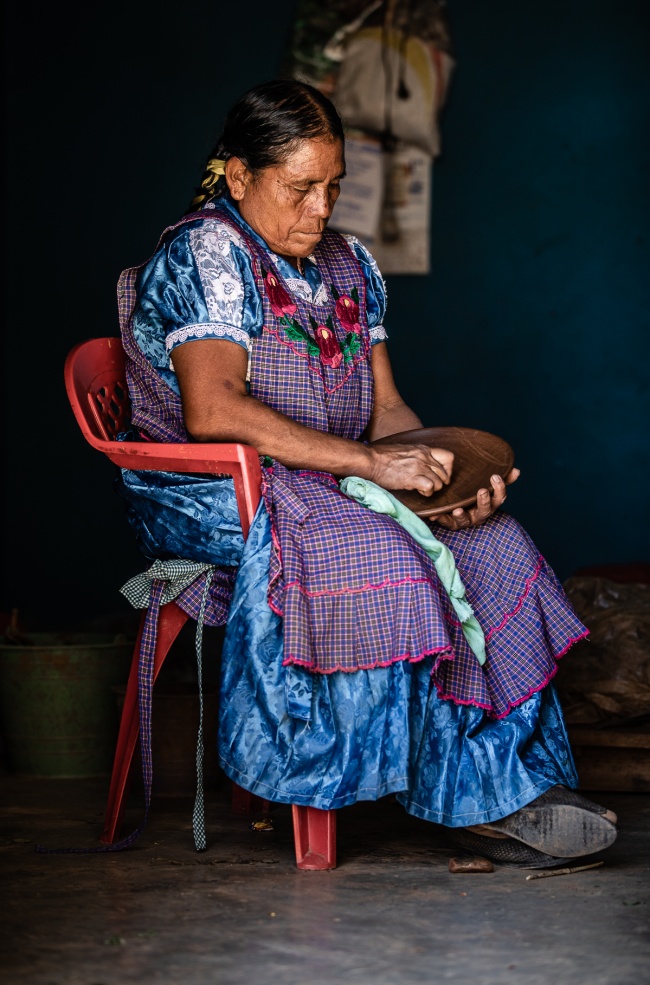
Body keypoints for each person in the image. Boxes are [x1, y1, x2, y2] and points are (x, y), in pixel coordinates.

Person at [118, 79, 616, 867]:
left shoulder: (344, 261)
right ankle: (468, 799)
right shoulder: (206, 252)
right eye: (301, 188)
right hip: (220, 491)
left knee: (495, 540)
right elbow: (213, 410)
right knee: (379, 555)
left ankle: (509, 784)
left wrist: (441, 480)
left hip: (329, 478)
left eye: (335, 186)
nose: (322, 209)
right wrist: (374, 466)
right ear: (240, 176)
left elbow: (384, 412)